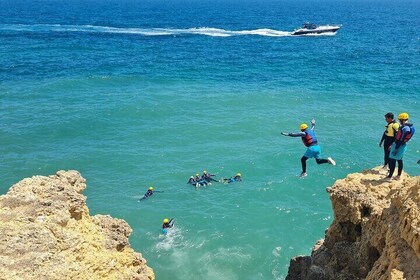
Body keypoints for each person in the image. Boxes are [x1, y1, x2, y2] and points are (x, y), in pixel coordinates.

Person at [386, 112, 415, 180]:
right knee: (400, 160)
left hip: (399, 146)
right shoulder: (411, 126)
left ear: (402, 120)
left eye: (400, 120)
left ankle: (390, 176)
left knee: (392, 160)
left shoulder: (405, 129)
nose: (399, 121)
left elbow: (401, 139)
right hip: (403, 146)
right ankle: (398, 176)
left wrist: (395, 148)